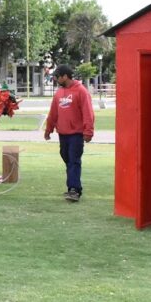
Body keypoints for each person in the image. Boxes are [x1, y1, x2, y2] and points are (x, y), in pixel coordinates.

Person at [44, 64, 95, 202]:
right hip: (63, 134)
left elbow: (88, 113)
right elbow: (53, 113)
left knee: (73, 160)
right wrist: (48, 129)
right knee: (67, 158)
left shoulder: (81, 91)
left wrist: (88, 131)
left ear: (65, 76)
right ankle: (73, 187)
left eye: (57, 76)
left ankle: (74, 189)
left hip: (76, 134)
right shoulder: (59, 93)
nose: (55, 79)